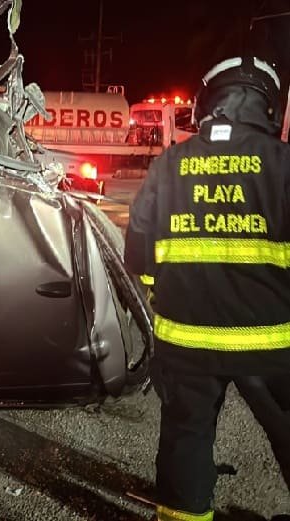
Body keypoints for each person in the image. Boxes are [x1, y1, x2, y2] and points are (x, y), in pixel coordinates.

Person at [124, 56, 290, 521]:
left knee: (186, 436)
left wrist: (162, 289)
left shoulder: (171, 163)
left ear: (206, 103)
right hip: (272, 341)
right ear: (268, 106)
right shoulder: (283, 164)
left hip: (185, 340)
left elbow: (138, 247)